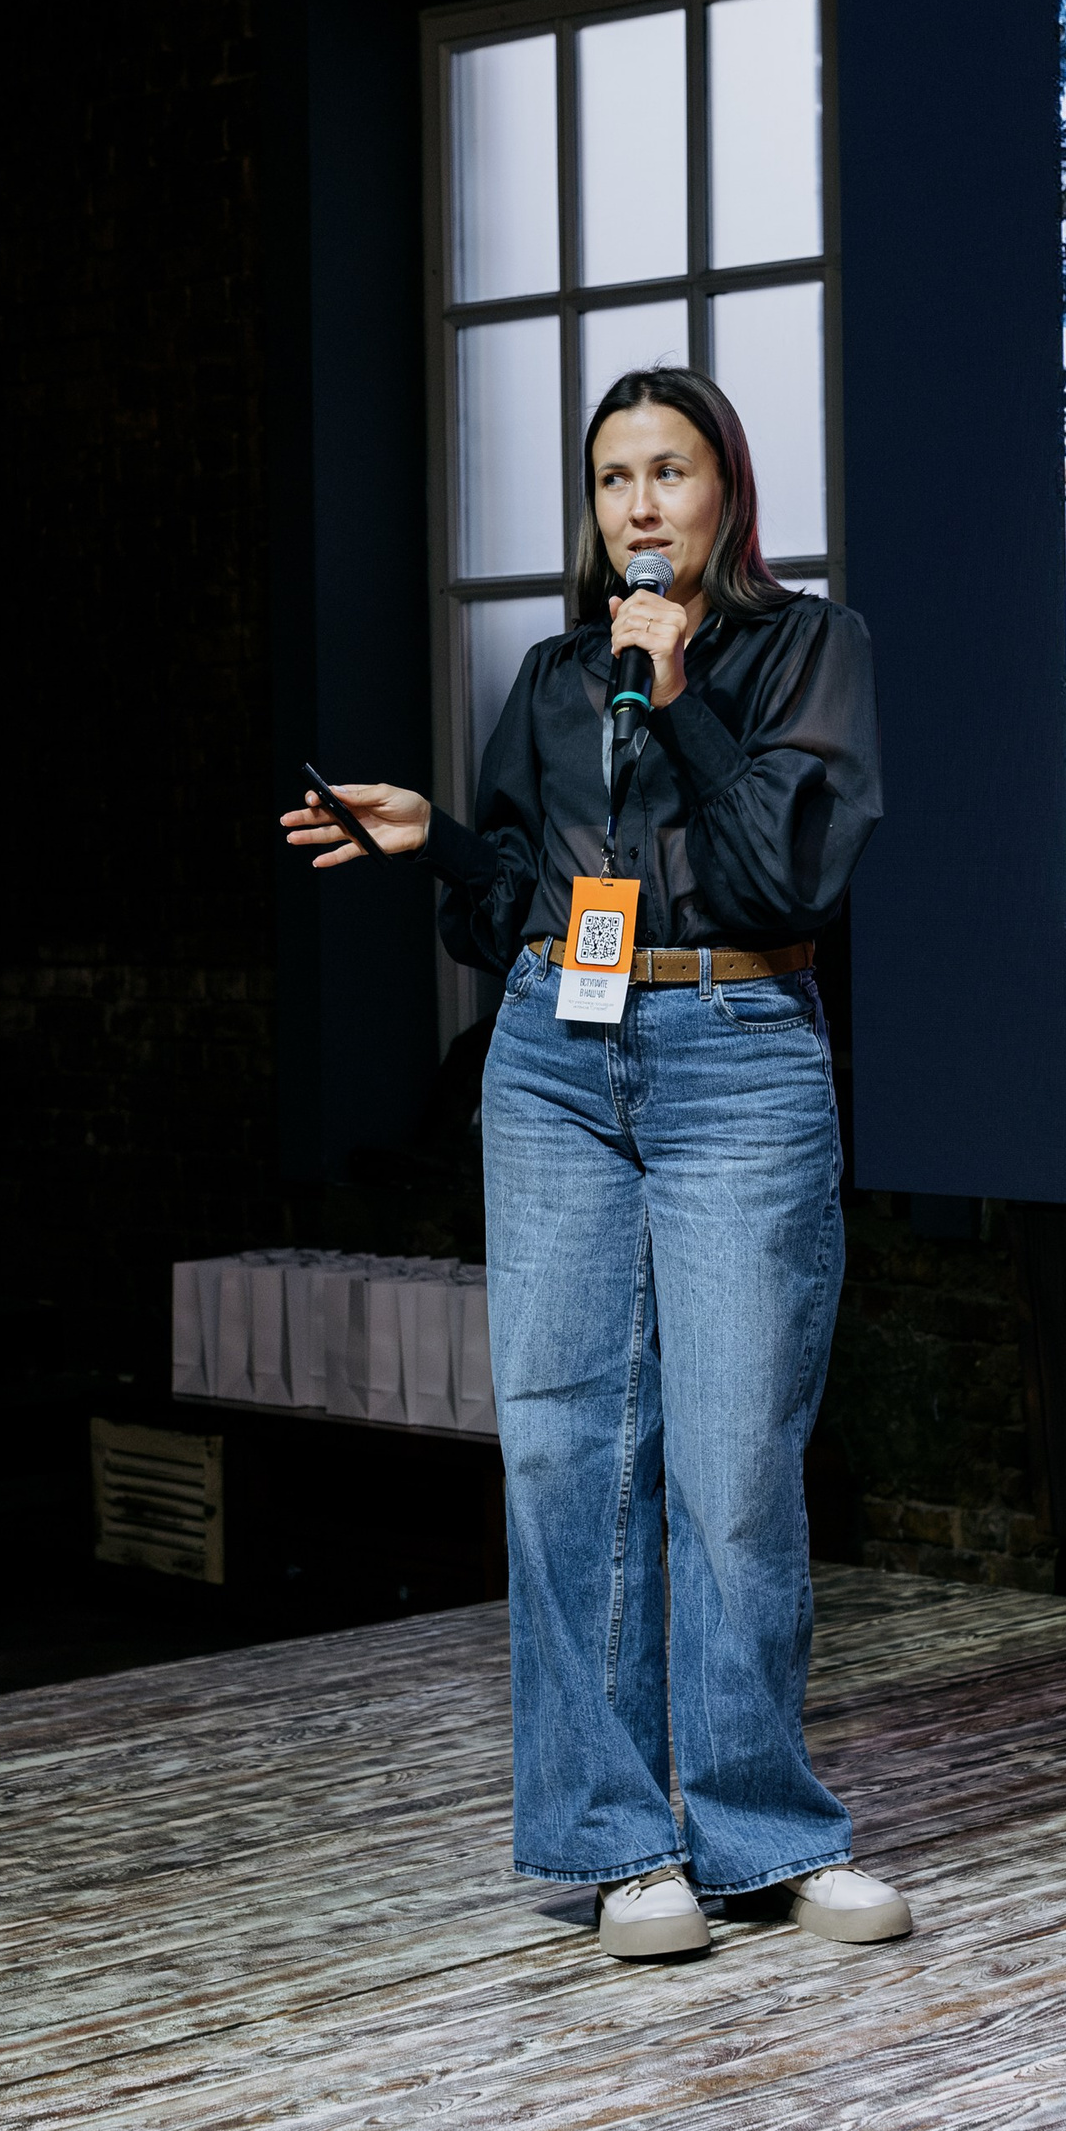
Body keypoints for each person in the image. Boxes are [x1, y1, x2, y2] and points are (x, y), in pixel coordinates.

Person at [279, 367, 910, 1960]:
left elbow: (782, 873)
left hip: (736, 1054)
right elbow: (517, 900)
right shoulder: (562, 676)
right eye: (613, 476)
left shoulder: (805, 653)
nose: (639, 504)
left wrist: (681, 688)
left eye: (670, 472)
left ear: (726, 493)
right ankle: (620, 1844)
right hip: (557, 1060)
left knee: (734, 1465)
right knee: (566, 1452)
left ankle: (760, 1833)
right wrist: (441, 842)